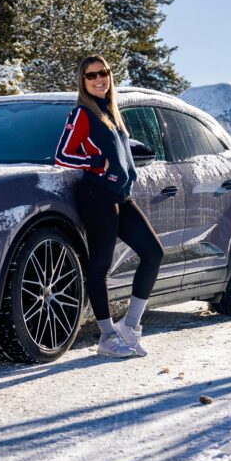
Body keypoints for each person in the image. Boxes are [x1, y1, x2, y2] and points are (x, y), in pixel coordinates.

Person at [55, 55, 163, 357]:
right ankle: (106, 336)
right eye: (92, 76)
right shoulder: (82, 114)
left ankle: (130, 327)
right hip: (97, 195)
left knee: (153, 253)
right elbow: (63, 154)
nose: (99, 79)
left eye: (104, 73)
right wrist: (95, 162)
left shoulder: (112, 112)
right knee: (99, 266)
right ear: (83, 82)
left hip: (120, 195)